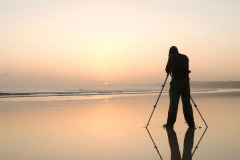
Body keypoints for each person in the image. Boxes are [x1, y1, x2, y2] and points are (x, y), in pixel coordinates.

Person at [163, 46, 195, 128]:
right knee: (187, 103)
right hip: (186, 81)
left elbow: (167, 69)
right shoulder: (185, 57)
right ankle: (191, 124)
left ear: (170, 52)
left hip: (176, 81)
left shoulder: (172, 57)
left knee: (174, 103)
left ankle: (170, 124)